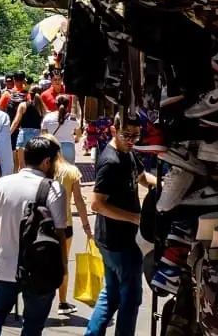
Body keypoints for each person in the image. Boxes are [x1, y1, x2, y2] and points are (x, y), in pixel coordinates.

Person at [0, 136, 67, 336]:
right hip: (40, 270)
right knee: (33, 324)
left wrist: (3, 245)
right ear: (46, 162)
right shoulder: (54, 189)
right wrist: (62, 266)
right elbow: (60, 233)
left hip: (4, 266)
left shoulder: (2, 184)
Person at [85, 113, 156, 336]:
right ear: (114, 131)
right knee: (131, 298)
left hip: (115, 239)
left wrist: (163, 184)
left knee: (112, 294)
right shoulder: (110, 162)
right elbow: (96, 204)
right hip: (118, 242)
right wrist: (136, 218)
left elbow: (142, 177)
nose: (132, 139)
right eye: (127, 135)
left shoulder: (129, 154)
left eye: (136, 135)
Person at [41, 133, 91, 315]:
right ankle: (62, 302)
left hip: (43, 223)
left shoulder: (41, 171)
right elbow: (79, 201)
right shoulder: (71, 171)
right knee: (62, 264)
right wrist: (86, 226)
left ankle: (41, 300)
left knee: (42, 262)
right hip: (65, 225)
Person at [11, 90, 46, 171]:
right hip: (37, 135)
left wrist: (8, 133)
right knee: (36, 164)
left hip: (24, 135)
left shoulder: (23, 105)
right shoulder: (42, 106)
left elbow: (16, 121)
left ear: (29, 95)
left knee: (22, 165)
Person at [42, 95, 82, 163]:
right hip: (68, 149)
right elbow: (79, 134)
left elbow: (44, 134)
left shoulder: (48, 117)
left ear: (55, 104)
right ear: (68, 105)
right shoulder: (72, 118)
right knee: (69, 172)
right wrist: (76, 139)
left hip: (53, 148)